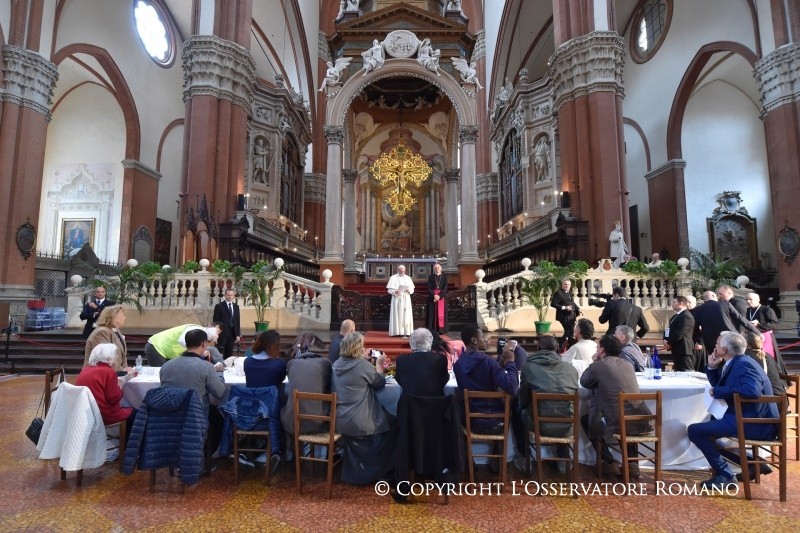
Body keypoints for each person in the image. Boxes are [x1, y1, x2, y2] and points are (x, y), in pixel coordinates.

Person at [687, 331, 778, 489]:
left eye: (717, 344)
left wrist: (719, 392)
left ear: (723, 350)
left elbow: (752, 391)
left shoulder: (744, 364)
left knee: (695, 430)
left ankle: (725, 475)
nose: (714, 346)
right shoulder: (736, 362)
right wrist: (712, 367)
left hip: (755, 423)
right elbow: (720, 386)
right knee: (709, 427)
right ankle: (751, 464)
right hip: (745, 417)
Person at [580, 335, 651, 478]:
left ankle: (609, 461)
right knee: (627, 418)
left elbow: (584, 382)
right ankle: (633, 465)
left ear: (602, 350)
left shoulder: (598, 365)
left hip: (617, 419)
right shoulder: (627, 364)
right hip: (641, 417)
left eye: (597, 347)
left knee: (587, 420)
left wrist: (594, 361)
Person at [332, 332, 395, 484]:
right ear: (358, 348)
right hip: (360, 420)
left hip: (340, 419)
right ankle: (381, 471)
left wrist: (363, 360)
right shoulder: (362, 366)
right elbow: (379, 383)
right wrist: (379, 365)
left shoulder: (336, 364)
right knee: (393, 423)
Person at [160, 328, 227, 458]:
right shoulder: (206, 366)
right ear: (204, 344)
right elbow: (220, 393)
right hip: (195, 417)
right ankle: (206, 456)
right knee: (218, 415)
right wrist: (219, 373)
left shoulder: (166, 366)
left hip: (171, 414)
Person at [518, 336, 579, 463]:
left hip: (540, 426)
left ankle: (524, 456)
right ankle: (563, 456)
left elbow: (523, 398)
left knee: (518, 409)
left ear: (538, 348)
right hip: (568, 426)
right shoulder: (571, 369)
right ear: (557, 349)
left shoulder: (528, 367)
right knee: (560, 409)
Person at [453, 325, 519, 436]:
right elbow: (512, 387)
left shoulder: (458, 364)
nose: (485, 339)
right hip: (494, 422)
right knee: (515, 405)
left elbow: (480, 377)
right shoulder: (488, 362)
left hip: (471, 422)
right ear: (474, 340)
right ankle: (511, 451)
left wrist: (500, 366)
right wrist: (510, 362)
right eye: (482, 336)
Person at [76, 343, 138, 443]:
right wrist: (120, 385)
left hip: (87, 413)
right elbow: (114, 399)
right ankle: (127, 447)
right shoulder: (108, 372)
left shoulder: (86, 370)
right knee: (137, 413)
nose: (117, 357)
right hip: (103, 414)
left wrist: (123, 380)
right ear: (109, 358)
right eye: (115, 355)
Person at [281, 333, 333, 437]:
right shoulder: (326, 364)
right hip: (319, 424)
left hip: (294, 424)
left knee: (283, 406)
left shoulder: (292, 363)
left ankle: (289, 449)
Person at [692, 291, 762, 352]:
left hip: (711, 342)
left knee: (716, 363)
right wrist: (757, 332)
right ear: (713, 296)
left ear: (704, 299)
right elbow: (740, 318)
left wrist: (698, 341)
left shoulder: (697, 310)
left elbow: (695, 328)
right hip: (731, 338)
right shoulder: (725, 304)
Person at [395, 328, 449, 397]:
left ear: (411, 342)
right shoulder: (440, 359)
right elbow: (444, 380)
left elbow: (399, 380)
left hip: (409, 406)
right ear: (430, 342)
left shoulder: (401, 360)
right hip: (435, 405)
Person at [145, 324, 224, 368]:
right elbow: (182, 340)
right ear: (206, 341)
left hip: (165, 352)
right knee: (161, 377)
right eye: (211, 343)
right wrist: (194, 352)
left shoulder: (200, 333)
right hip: (156, 347)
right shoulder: (195, 329)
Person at [83, 305, 127, 371]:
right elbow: (105, 359)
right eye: (123, 315)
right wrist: (123, 371)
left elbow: (123, 356)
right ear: (114, 317)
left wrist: (125, 370)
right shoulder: (101, 332)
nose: (124, 318)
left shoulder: (116, 330)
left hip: (114, 373)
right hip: (98, 374)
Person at [744, 331, 786, 396]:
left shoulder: (745, 356)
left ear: (747, 344)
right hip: (780, 397)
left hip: (768, 400)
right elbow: (779, 372)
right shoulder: (766, 355)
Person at [663, 296, 697, 371]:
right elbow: (668, 329)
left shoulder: (686, 316)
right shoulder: (676, 316)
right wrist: (665, 339)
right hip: (676, 348)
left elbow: (679, 333)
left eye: (674, 302)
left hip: (684, 349)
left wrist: (669, 343)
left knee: (687, 371)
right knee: (679, 371)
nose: (672, 304)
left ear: (681, 303)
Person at [387, 265, 415, 337]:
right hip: (397, 299)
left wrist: (409, 290)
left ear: (405, 271)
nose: (402, 272)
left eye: (403, 271)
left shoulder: (408, 278)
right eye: (400, 271)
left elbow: (412, 289)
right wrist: (395, 292)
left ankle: (406, 332)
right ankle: (396, 332)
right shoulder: (393, 278)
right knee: (397, 314)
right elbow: (389, 290)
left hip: (406, 299)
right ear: (398, 270)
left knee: (406, 315)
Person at [213, 288, 241, 359]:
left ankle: (227, 366)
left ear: (234, 296)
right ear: (225, 295)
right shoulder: (219, 306)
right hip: (222, 333)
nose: (230, 296)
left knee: (229, 352)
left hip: (232, 333)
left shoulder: (236, 307)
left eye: (231, 295)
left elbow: (237, 321)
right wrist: (216, 333)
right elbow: (215, 321)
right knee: (220, 351)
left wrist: (238, 334)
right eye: (228, 295)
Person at [550, 278, 580, 345]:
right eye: (565, 284)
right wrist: (564, 307)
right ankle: (565, 345)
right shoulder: (558, 293)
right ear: (562, 285)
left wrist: (578, 309)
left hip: (571, 315)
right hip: (563, 316)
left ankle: (562, 345)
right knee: (570, 330)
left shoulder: (569, 292)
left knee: (569, 331)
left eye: (569, 285)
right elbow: (553, 304)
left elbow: (572, 303)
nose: (567, 286)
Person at [425, 263, 448, 334]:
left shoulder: (444, 277)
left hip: (441, 298)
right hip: (432, 298)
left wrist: (439, 296)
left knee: (441, 314)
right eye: (435, 268)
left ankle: (440, 330)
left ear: (441, 268)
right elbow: (429, 288)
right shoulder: (431, 277)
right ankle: (431, 329)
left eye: (438, 267)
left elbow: (445, 288)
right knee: (432, 313)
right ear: (434, 269)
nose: (437, 269)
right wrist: (434, 295)